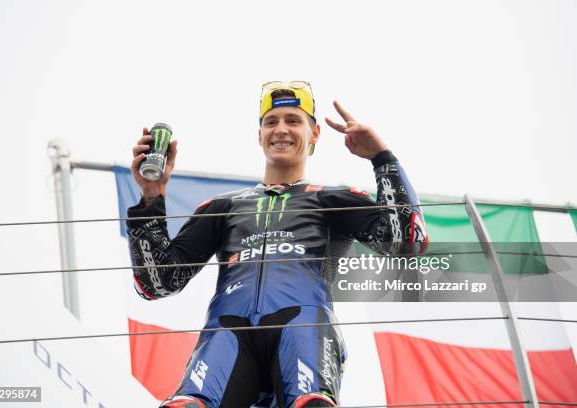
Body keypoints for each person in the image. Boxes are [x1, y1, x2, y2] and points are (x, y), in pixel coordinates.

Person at [127, 81, 428, 408]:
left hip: (304, 326)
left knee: (311, 404)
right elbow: (155, 283)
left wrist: (382, 158)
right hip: (228, 331)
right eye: (271, 122)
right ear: (259, 135)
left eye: (293, 121)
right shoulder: (223, 206)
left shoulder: (333, 198)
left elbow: (407, 241)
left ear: (314, 134)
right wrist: (151, 196)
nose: (281, 129)